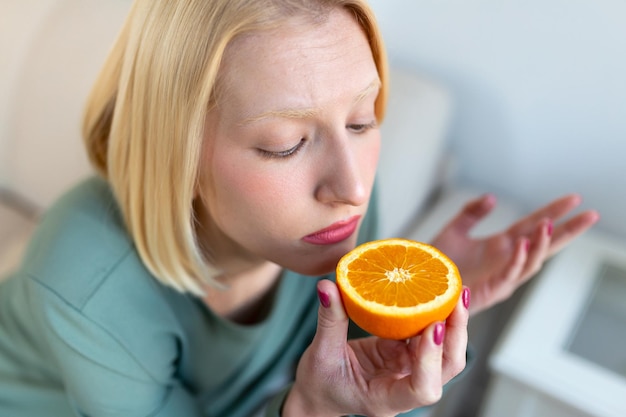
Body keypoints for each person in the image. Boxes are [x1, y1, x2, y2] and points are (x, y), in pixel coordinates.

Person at [0, 0, 599, 416]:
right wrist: (310, 409)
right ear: (176, 154)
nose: (353, 186)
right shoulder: (85, 284)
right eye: (285, 145)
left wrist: (416, 313)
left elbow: (366, 387)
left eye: (362, 120)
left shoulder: (342, 195)